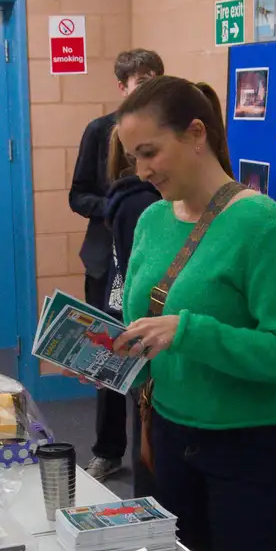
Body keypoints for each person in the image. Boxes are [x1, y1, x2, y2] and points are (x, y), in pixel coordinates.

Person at [114, 77, 276, 551]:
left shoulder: (260, 225)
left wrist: (188, 333)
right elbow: (142, 323)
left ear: (196, 134)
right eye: (133, 157)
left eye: (150, 152)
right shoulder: (153, 220)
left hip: (246, 445)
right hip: (165, 431)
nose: (142, 171)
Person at [69, 49, 164, 482]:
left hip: (152, 258)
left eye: (153, 78)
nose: (145, 86)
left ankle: (151, 447)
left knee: (147, 350)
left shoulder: (168, 132)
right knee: (108, 356)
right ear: (121, 85)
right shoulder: (98, 130)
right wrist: (118, 208)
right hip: (104, 260)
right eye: (137, 80)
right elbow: (78, 195)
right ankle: (108, 450)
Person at [102, 127, 161, 499]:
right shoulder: (143, 206)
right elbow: (132, 274)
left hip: (132, 319)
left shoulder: (131, 201)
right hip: (141, 327)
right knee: (146, 422)